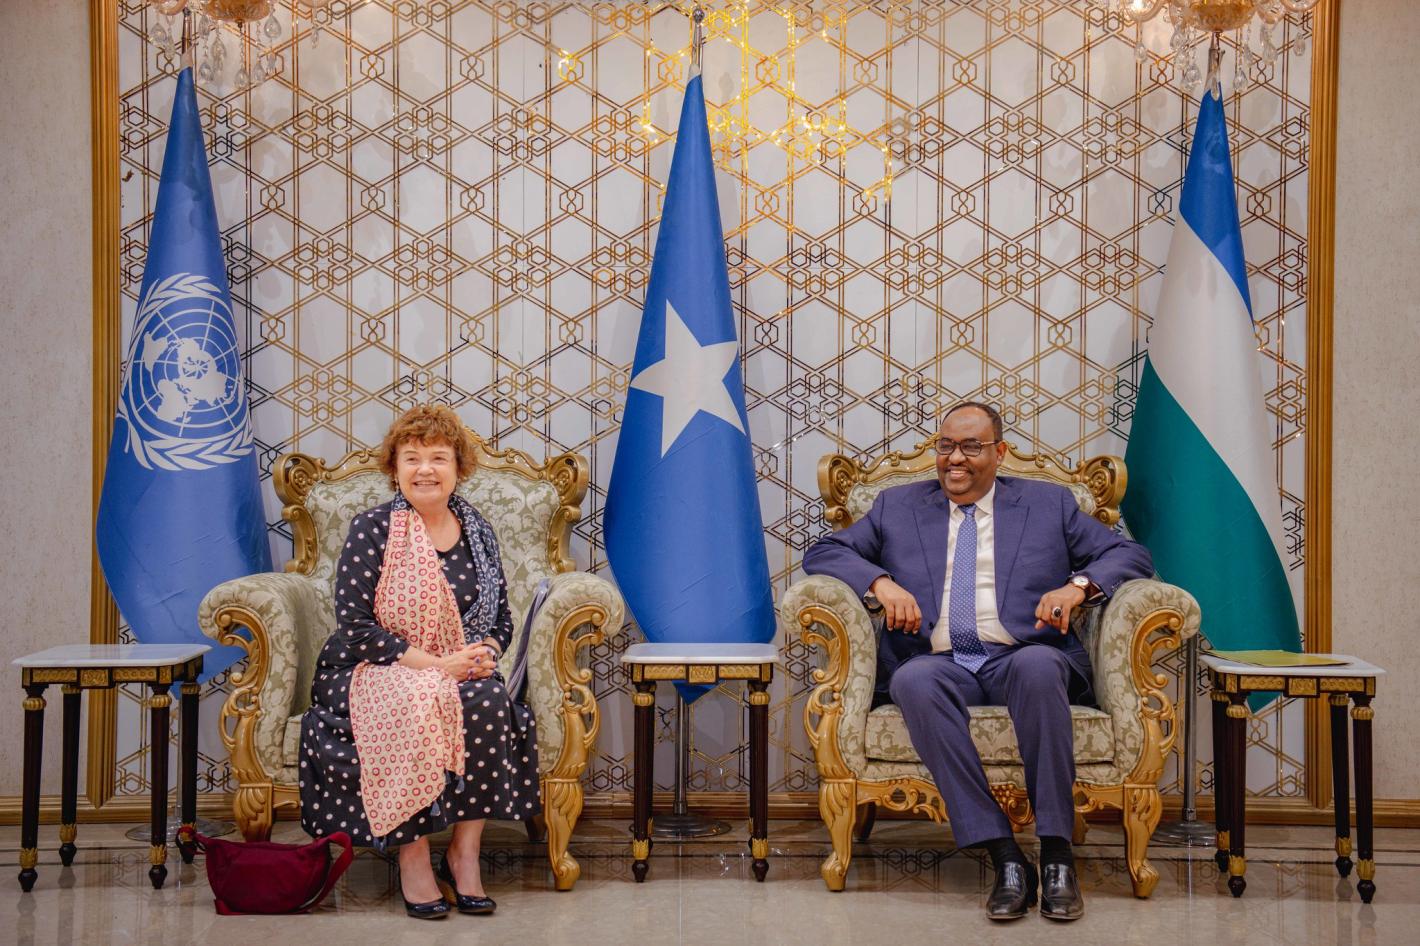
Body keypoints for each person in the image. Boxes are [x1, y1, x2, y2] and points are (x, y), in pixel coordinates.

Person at [802, 401, 1152, 922]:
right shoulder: (897, 506)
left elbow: (1130, 555)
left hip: (1021, 654)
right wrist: (880, 583)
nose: (954, 458)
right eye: (946, 445)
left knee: (1039, 669)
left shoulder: (1048, 504)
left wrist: (1077, 587)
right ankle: (1005, 855)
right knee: (914, 681)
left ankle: (1057, 855)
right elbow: (824, 553)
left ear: (999, 452)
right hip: (938, 660)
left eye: (970, 446)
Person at [299, 404, 539, 920]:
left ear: (458, 468)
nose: (425, 469)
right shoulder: (373, 529)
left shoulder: (478, 531)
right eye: (411, 458)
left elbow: (501, 617)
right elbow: (355, 626)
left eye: (438, 458)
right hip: (367, 668)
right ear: (395, 468)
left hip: (455, 665)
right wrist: (435, 666)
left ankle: (464, 854)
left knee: (489, 698)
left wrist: (484, 653)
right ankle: (412, 857)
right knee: (414, 698)